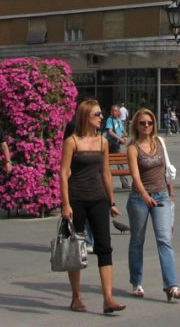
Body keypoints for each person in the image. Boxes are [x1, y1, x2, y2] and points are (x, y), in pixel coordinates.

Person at [59, 99, 125, 314]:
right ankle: (76, 297)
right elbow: (63, 172)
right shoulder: (72, 142)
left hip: (98, 199)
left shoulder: (103, 142)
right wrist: (65, 203)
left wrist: (112, 202)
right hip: (76, 199)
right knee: (75, 249)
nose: (101, 117)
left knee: (104, 247)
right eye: (97, 114)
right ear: (86, 116)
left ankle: (108, 298)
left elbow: (105, 173)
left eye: (101, 114)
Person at [125, 108, 180, 302]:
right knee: (137, 241)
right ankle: (136, 281)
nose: (146, 126)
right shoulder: (132, 148)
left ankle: (171, 285)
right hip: (139, 199)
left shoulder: (159, 142)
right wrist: (144, 195)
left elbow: (166, 169)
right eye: (142, 123)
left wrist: (171, 194)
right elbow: (134, 175)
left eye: (149, 123)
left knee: (165, 239)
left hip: (162, 196)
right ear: (136, 125)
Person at [104, 105, 130, 189]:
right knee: (106, 164)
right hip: (110, 144)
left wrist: (123, 137)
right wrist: (119, 138)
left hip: (117, 144)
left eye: (116, 111)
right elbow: (110, 132)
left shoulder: (119, 120)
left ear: (119, 112)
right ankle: (104, 183)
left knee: (120, 163)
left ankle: (125, 183)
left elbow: (121, 131)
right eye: (112, 110)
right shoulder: (109, 119)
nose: (114, 112)